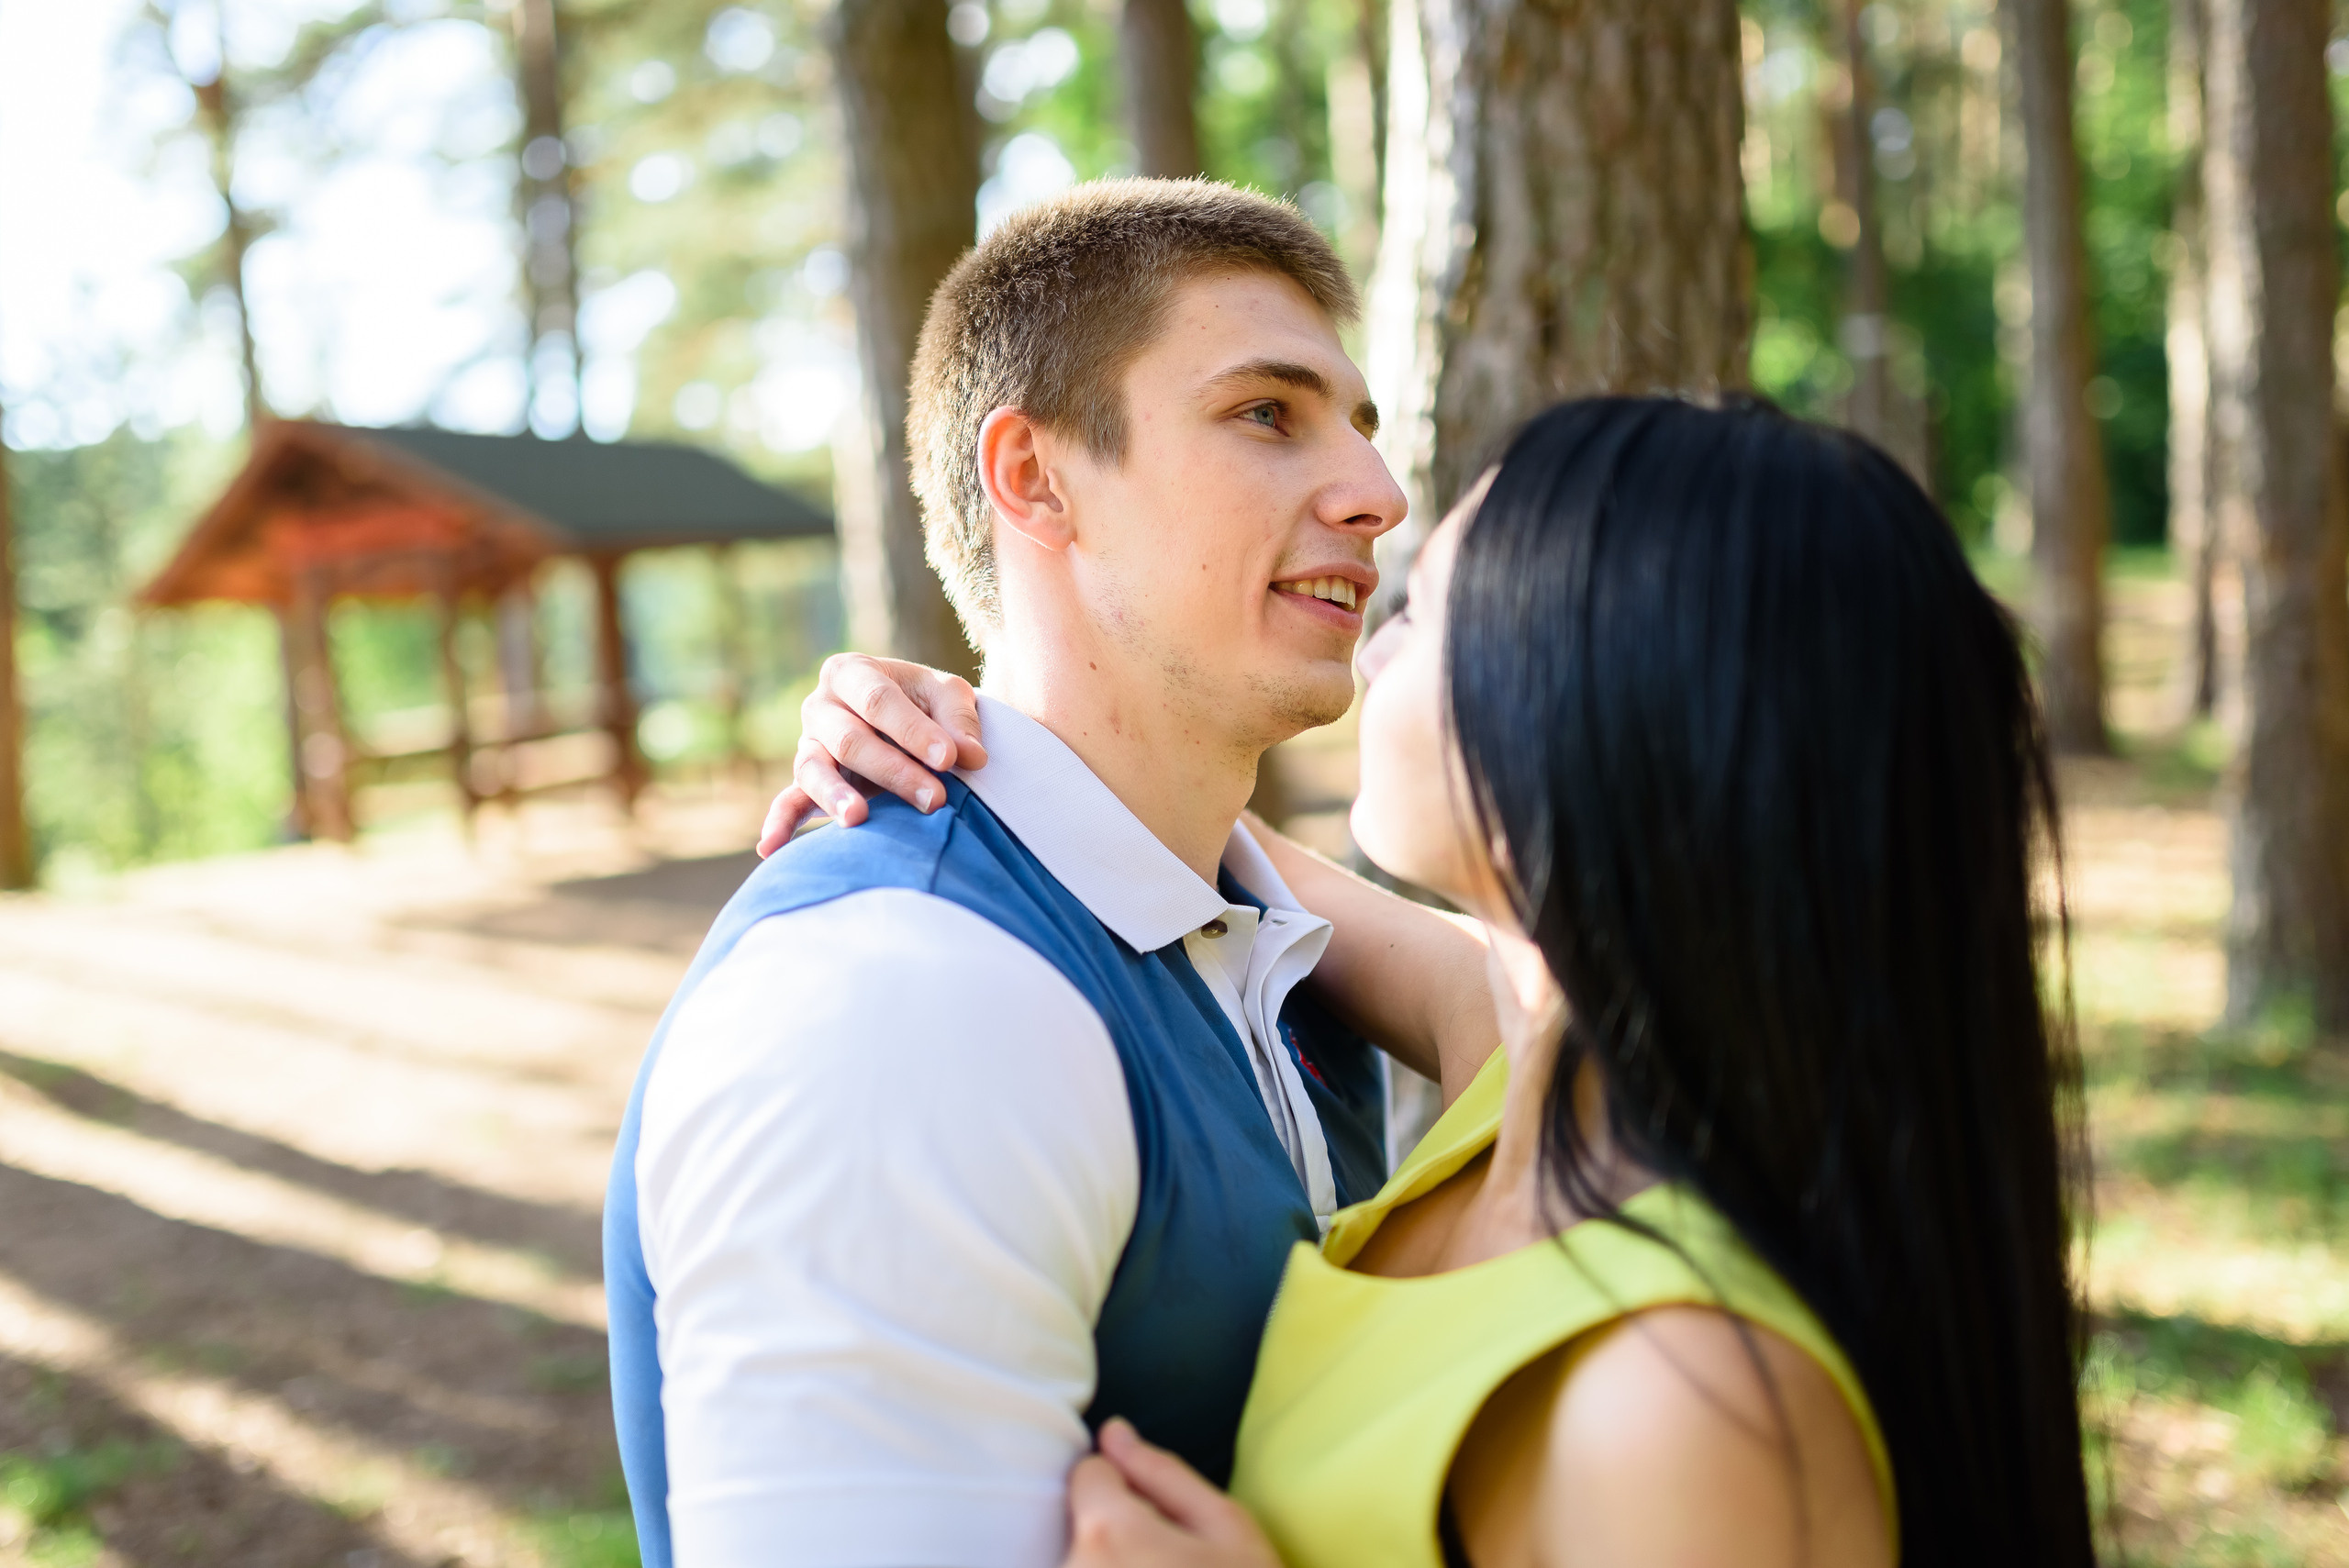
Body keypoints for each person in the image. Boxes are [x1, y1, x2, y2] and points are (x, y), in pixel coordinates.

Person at [785, 396, 2098, 1567]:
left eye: (1422, 613)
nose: (1376, 646)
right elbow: (1166, 842)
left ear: (1600, 707)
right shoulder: (1537, 1062)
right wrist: (961, 733)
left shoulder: (1683, 1401)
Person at [604, 177, 1500, 1568]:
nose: (1378, 496)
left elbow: (1539, 1026)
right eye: (1267, 413)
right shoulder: (905, 1006)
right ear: (1033, 477)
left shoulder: (1257, 947)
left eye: (1361, 428)